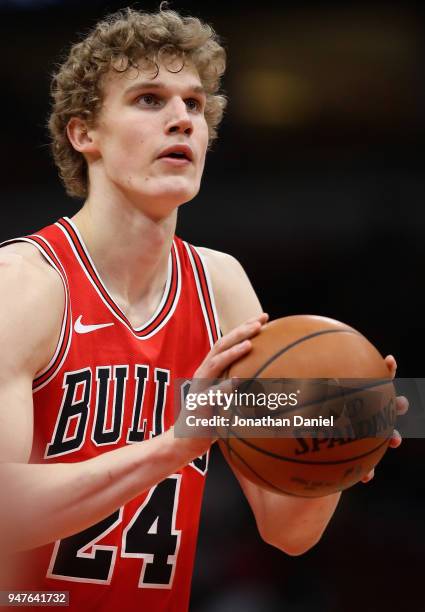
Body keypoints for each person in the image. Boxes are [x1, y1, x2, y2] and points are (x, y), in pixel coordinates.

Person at [0, 6, 407, 611]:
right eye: (148, 100)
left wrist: (337, 451)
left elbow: (287, 531)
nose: (181, 121)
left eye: (194, 104)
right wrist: (173, 446)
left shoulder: (221, 285)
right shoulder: (24, 283)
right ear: (84, 133)